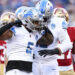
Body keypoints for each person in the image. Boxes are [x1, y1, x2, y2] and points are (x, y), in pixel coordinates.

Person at [32, 0, 72, 75]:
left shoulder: (58, 22)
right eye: (40, 17)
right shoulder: (32, 20)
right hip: (34, 62)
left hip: (50, 63)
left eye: (44, 18)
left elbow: (68, 44)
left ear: (50, 14)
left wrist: (53, 51)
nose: (42, 20)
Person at [0, 7, 43, 75]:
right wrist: (11, 24)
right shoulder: (15, 29)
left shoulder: (34, 34)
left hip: (29, 70)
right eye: (35, 22)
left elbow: (50, 40)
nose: (37, 24)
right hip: (15, 70)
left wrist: (46, 28)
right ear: (27, 20)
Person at [52, 7, 75, 75]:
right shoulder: (48, 32)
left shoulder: (72, 31)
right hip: (52, 68)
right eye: (58, 18)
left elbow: (74, 53)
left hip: (68, 68)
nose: (61, 21)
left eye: (63, 18)